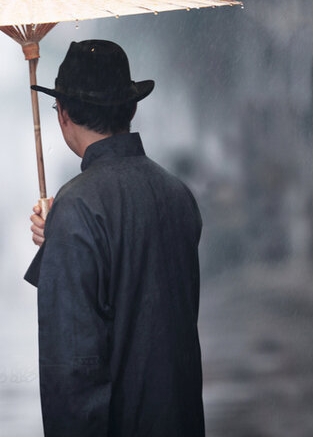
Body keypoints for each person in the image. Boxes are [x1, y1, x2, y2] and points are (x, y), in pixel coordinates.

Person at [25, 40, 204, 436]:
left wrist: (63, 233)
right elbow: (139, 280)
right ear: (131, 107)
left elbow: (72, 369)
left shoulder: (77, 207)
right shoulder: (177, 192)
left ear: (64, 114)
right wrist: (57, 237)